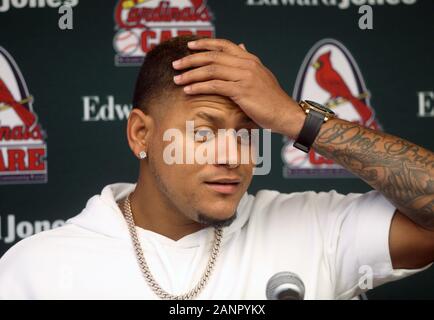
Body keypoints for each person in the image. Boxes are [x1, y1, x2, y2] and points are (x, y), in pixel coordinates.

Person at [0, 35, 433, 300]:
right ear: (140, 135)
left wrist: (296, 119)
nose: (233, 155)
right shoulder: (35, 269)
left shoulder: (315, 228)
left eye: (248, 132)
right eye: (204, 133)